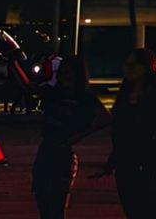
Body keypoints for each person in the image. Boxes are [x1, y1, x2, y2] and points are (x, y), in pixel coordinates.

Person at [104, 48, 156, 217]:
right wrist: (114, 158)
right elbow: (120, 129)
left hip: (149, 166)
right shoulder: (125, 94)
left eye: (134, 64)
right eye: (126, 64)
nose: (128, 68)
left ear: (146, 67)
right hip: (126, 166)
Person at [33, 53, 107, 219]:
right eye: (62, 73)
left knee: (56, 203)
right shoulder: (54, 93)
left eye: (69, 73)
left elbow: (104, 117)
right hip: (46, 150)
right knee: (41, 196)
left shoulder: (83, 97)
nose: (64, 77)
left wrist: (78, 135)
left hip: (62, 153)